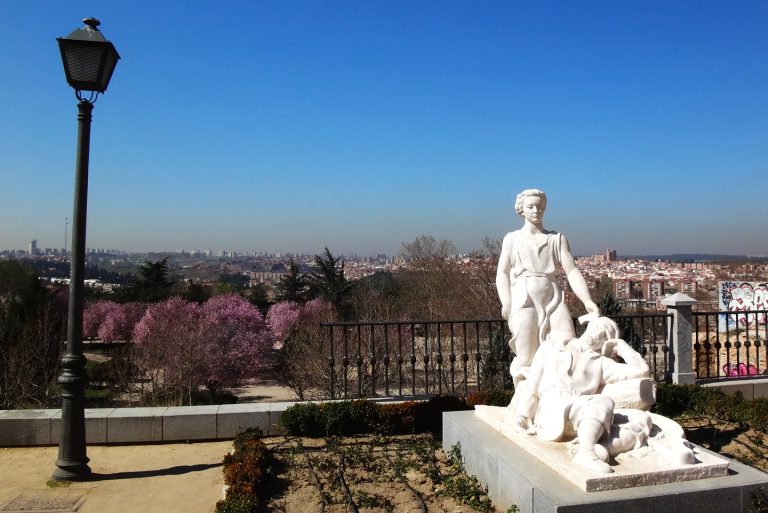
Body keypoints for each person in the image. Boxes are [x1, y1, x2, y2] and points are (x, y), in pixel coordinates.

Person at [510, 317, 652, 474]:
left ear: (606, 343)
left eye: (606, 335)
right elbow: (532, 384)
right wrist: (523, 415)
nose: (599, 333)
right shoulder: (550, 347)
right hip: (551, 408)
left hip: (581, 409)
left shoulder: (602, 363)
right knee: (599, 404)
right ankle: (589, 450)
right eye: (598, 326)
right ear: (589, 325)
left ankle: (588, 451)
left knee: (626, 412)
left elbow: (642, 370)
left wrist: (621, 346)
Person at [496, 189, 599, 385]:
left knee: (567, 345)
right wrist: (506, 302)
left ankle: (559, 393)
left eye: (540, 207)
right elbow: (502, 273)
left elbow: (571, 271)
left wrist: (587, 301)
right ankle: (525, 401)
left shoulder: (556, 238)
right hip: (523, 297)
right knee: (526, 355)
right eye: (531, 206)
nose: (536, 210)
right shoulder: (512, 239)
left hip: (552, 298)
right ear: (521, 210)